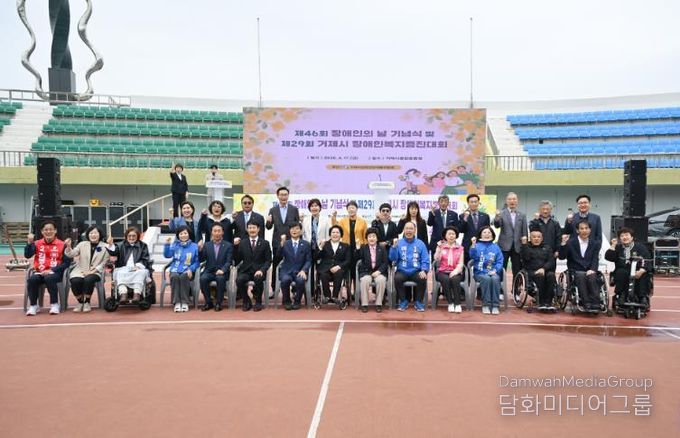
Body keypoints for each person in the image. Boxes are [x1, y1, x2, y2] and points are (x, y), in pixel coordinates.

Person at [24, 221, 70, 316]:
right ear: (42, 231)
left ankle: (54, 304)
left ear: (55, 231)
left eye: (51, 229)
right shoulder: (37, 243)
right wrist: (29, 243)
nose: (48, 231)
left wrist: (52, 270)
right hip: (39, 272)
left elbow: (67, 263)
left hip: (55, 273)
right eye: (46, 230)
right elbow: (28, 255)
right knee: (32, 280)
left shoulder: (62, 244)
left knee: (49, 278)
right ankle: (34, 305)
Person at [558, 220, 602, 311]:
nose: (584, 230)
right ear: (577, 230)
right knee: (581, 275)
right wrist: (563, 244)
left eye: (586, 228)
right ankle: (586, 302)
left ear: (590, 230)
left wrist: (593, 269)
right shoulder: (570, 243)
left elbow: (595, 258)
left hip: (589, 269)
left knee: (592, 276)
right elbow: (562, 257)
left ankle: (595, 302)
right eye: (581, 228)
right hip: (575, 270)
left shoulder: (595, 243)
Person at [64, 225, 109, 313]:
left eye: (95, 233)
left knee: (89, 279)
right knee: (75, 280)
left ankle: (87, 302)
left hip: (95, 271)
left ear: (100, 234)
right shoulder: (82, 244)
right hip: (80, 270)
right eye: (91, 233)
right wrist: (69, 247)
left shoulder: (105, 246)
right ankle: (80, 302)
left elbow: (104, 262)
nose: (93, 235)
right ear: (88, 235)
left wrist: (92, 271)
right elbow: (72, 254)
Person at [605, 227, 652, 307]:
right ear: (620, 239)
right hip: (623, 269)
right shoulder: (618, 248)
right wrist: (613, 245)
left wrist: (642, 270)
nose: (624, 237)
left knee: (644, 274)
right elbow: (609, 257)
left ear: (632, 237)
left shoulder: (640, 247)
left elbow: (647, 259)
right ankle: (621, 295)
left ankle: (642, 297)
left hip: (638, 269)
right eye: (622, 236)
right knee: (621, 272)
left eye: (627, 235)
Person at [389, 222, 430, 312]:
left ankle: (418, 302)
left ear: (415, 230)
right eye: (407, 228)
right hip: (402, 270)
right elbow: (393, 259)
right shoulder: (399, 243)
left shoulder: (420, 243)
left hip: (416, 270)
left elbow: (425, 259)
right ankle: (403, 301)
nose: (409, 231)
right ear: (404, 230)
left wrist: (424, 270)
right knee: (397, 278)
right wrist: (394, 248)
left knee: (422, 278)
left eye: (411, 229)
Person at [266, 186, 300, 293]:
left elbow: (297, 226)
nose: (283, 197)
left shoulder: (294, 209)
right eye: (281, 195)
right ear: (277, 196)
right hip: (277, 242)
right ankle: (274, 289)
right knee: (276, 264)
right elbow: (268, 227)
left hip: (292, 242)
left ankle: (294, 289)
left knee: (294, 263)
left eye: (285, 195)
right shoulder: (273, 210)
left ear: (288, 196)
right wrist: (268, 221)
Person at [106, 227, 152, 304]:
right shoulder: (120, 245)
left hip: (137, 268)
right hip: (123, 268)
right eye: (129, 236)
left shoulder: (143, 245)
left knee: (141, 273)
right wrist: (110, 244)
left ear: (137, 236)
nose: (131, 238)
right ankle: (123, 294)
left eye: (134, 236)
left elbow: (145, 258)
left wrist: (138, 266)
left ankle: (137, 294)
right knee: (120, 273)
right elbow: (113, 252)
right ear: (126, 236)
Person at [234, 220, 272, 312]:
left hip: (259, 270)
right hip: (246, 271)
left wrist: (262, 270)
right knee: (239, 280)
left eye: (254, 228)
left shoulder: (265, 243)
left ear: (258, 229)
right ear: (247, 229)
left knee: (258, 278)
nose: (252, 230)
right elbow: (237, 259)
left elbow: (268, 260)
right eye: (250, 228)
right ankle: (246, 301)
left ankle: (258, 301)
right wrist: (235, 247)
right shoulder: (243, 243)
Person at [332, 200, 368, 291]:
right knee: (347, 271)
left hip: (358, 250)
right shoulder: (343, 221)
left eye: (353, 208)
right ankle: (348, 292)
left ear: (357, 209)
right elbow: (336, 229)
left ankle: (356, 292)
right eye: (349, 208)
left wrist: (365, 249)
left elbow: (365, 237)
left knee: (357, 271)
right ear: (347, 210)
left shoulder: (362, 221)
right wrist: (333, 217)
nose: (351, 210)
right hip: (346, 249)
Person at [519, 226, 557, 310]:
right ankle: (541, 301)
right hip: (531, 271)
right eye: (534, 237)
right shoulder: (526, 247)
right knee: (540, 276)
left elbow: (551, 261)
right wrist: (524, 245)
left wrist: (543, 268)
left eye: (539, 237)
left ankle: (549, 302)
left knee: (551, 275)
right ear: (530, 238)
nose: (536, 239)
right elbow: (526, 258)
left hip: (545, 270)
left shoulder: (547, 247)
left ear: (542, 238)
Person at [164, 225, 200, 312]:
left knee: (184, 277)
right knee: (174, 277)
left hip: (188, 270)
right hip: (175, 269)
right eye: (181, 234)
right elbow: (167, 255)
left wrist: (191, 269)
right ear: (178, 235)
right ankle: (176, 302)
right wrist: (167, 245)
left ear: (189, 234)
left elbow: (197, 262)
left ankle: (184, 302)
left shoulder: (195, 246)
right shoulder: (175, 245)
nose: (183, 235)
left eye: (185, 233)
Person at [276, 222, 312, 310]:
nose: (294, 231)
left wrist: (304, 270)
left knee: (300, 280)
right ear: (289, 231)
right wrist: (281, 245)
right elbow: (278, 256)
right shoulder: (285, 243)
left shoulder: (306, 244)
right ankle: (287, 301)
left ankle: (297, 301)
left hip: (299, 271)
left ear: (301, 231)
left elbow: (308, 260)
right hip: (286, 270)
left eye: (296, 229)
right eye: (292, 229)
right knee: (285, 280)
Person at [469, 226, 504, 315]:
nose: (486, 234)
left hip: (493, 271)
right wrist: (473, 245)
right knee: (486, 279)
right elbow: (472, 256)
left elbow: (500, 261)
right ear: (480, 234)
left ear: (492, 235)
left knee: (495, 279)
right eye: (484, 232)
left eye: (489, 232)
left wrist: (495, 270)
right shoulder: (476, 245)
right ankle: (486, 305)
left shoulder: (496, 247)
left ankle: (495, 305)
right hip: (479, 272)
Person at [199, 223, 233, 312]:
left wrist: (223, 270)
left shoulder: (228, 245)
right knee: (203, 278)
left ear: (222, 232)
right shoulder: (207, 245)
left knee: (220, 278)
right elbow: (202, 259)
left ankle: (218, 303)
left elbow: (229, 261)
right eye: (215, 231)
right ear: (211, 232)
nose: (217, 233)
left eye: (219, 231)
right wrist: (200, 251)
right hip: (209, 271)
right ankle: (208, 302)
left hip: (222, 271)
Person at [493, 192, 528, 277]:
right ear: (506, 201)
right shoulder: (501, 213)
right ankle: (501, 285)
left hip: (517, 246)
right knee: (501, 268)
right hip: (504, 245)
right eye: (510, 199)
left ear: (517, 201)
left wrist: (525, 245)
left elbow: (524, 231)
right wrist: (497, 217)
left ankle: (515, 286)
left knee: (517, 269)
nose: (512, 201)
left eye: (514, 199)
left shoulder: (522, 215)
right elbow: (497, 225)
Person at [433, 226, 465, 313]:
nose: (451, 236)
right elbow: (436, 259)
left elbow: (461, 263)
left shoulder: (460, 248)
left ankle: (457, 304)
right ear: (445, 236)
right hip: (442, 271)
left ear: (456, 236)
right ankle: (450, 303)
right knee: (446, 279)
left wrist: (455, 271)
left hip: (455, 271)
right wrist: (439, 249)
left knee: (455, 279)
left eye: (453, 234)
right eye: (449, 234)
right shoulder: (441, 246)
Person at [317, 225, 351, 306]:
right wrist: (320, 248)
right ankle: (327, 296)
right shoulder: (324, 244)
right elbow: (316, 257)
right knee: (323, 274)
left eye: (337, 232)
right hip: (325, 269)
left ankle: (335, 296)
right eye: (333, 232)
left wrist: (338, 266)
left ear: (341, 234)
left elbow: (348, 260)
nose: (335, 234)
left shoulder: (346, 246)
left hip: (339, 269)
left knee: (339, 273)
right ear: (330, 234)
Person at [357, 228, 389, 313]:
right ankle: (364, 304)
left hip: (379, 272)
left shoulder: (382, 248)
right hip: (366, 272)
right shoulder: (363, 248)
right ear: (367, 238)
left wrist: (379, 271)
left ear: (377, 238)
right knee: (365, 280)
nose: (372, 238)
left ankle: (379, 304)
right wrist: (357, 248)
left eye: (374, 236)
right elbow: (358, 258)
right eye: (369, 236)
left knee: (381, 280)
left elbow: (385, 262)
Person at [459, 194, 491, 264]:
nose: (474, 204)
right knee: (467, 266)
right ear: (468, 203)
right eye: (471, 202)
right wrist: (465, 218)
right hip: (468, 246)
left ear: (478, 202)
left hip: (482, 245)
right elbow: (461, 230)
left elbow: (488, 231)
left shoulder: (485, 216)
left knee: (481, 265)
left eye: (475, 202)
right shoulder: (462, 216)